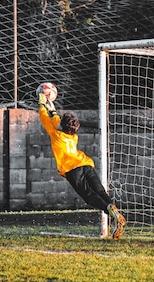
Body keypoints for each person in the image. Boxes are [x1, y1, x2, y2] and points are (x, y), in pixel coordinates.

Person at [38, 93, 126, 240]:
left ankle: (108, 209)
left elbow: (45, 119)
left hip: (73, 170)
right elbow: (55, 120)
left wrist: (42, 105)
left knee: (89, 196)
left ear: (63, 126)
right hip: (85, 163)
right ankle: (113, 210)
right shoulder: (74, 136)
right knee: (100, 191)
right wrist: (52, 109)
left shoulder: (56, 135)